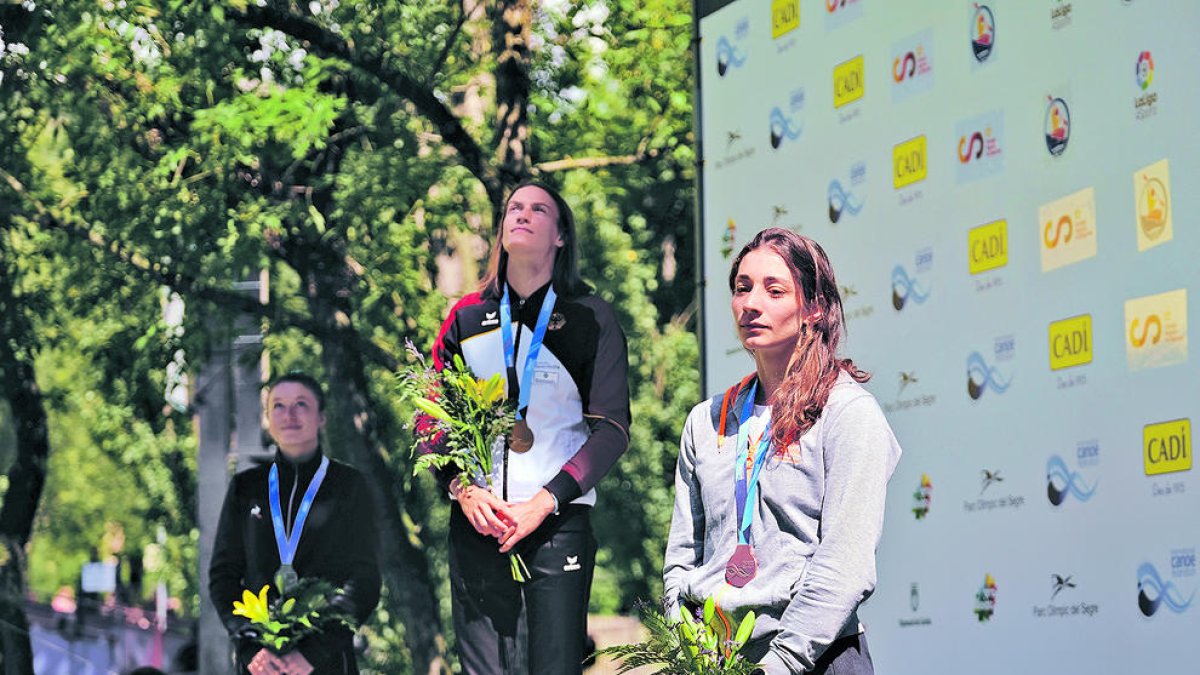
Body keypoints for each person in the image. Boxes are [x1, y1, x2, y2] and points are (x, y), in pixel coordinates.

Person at [663, 228, 901, 674]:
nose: (751, 303)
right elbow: (681, 559)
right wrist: (689, 648)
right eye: (742, 288)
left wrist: (777, 666)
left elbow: (845, 567)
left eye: (775, 290)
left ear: (813, 307)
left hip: (814, 659)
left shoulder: (848, 413)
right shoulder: (705, 420)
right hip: (715, 661)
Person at [432, 181, 631, 674]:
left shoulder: (591, 317)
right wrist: (463, 491)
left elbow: (612, 431)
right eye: (514, 208)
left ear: (561, 236)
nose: (522, 214)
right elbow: (430, 421)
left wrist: (544, 502)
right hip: (479, 525)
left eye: (538, 208)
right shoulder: (465, 316)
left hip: (556, 525)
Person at [210, 372, 381, 675]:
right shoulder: (246, 488)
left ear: (322, 418)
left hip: (327, 661)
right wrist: (250, 647)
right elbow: (223, 578)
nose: (288, 415)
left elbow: (364, 580)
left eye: (301, 404)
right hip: (261, 664)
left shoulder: (348, 486)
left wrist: (313, 652)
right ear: (268, 418)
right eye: (278, 406)